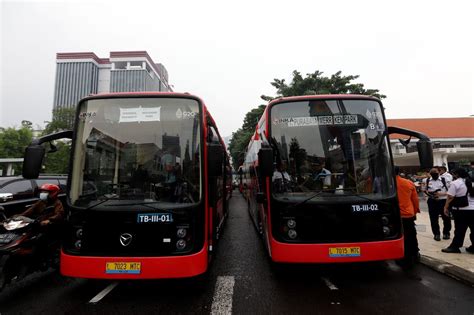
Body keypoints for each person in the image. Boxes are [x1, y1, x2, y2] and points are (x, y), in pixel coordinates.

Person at [442, 168, 474, 253]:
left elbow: (450, 197)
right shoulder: (471, 182)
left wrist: (445, 207)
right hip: (472, 209)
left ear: (456, 174)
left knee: (459, 229)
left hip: (461, 210)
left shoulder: (456, 183)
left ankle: (455, 247)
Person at [395, 166, 420, 267]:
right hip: (408, 215)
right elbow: (415, 200)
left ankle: (403, 257)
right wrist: (415, 212)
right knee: (411, 235)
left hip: (394, 215)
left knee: (400, 237)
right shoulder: (408, 182)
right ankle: (415, 254)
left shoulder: (387, 184)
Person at [423, 167, 451, 241]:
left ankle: (446, 233)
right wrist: (431, 195)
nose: (434, 175)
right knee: (433, 218)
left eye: (435, 173)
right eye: (432, 174)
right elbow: (424, 190)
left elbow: (451, 192)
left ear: (439, 172)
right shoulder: (426, 180)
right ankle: (436, 234)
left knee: (446, 217)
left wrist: (441, 194)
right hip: (432, 201)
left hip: (443, 201)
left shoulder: (445, 180)